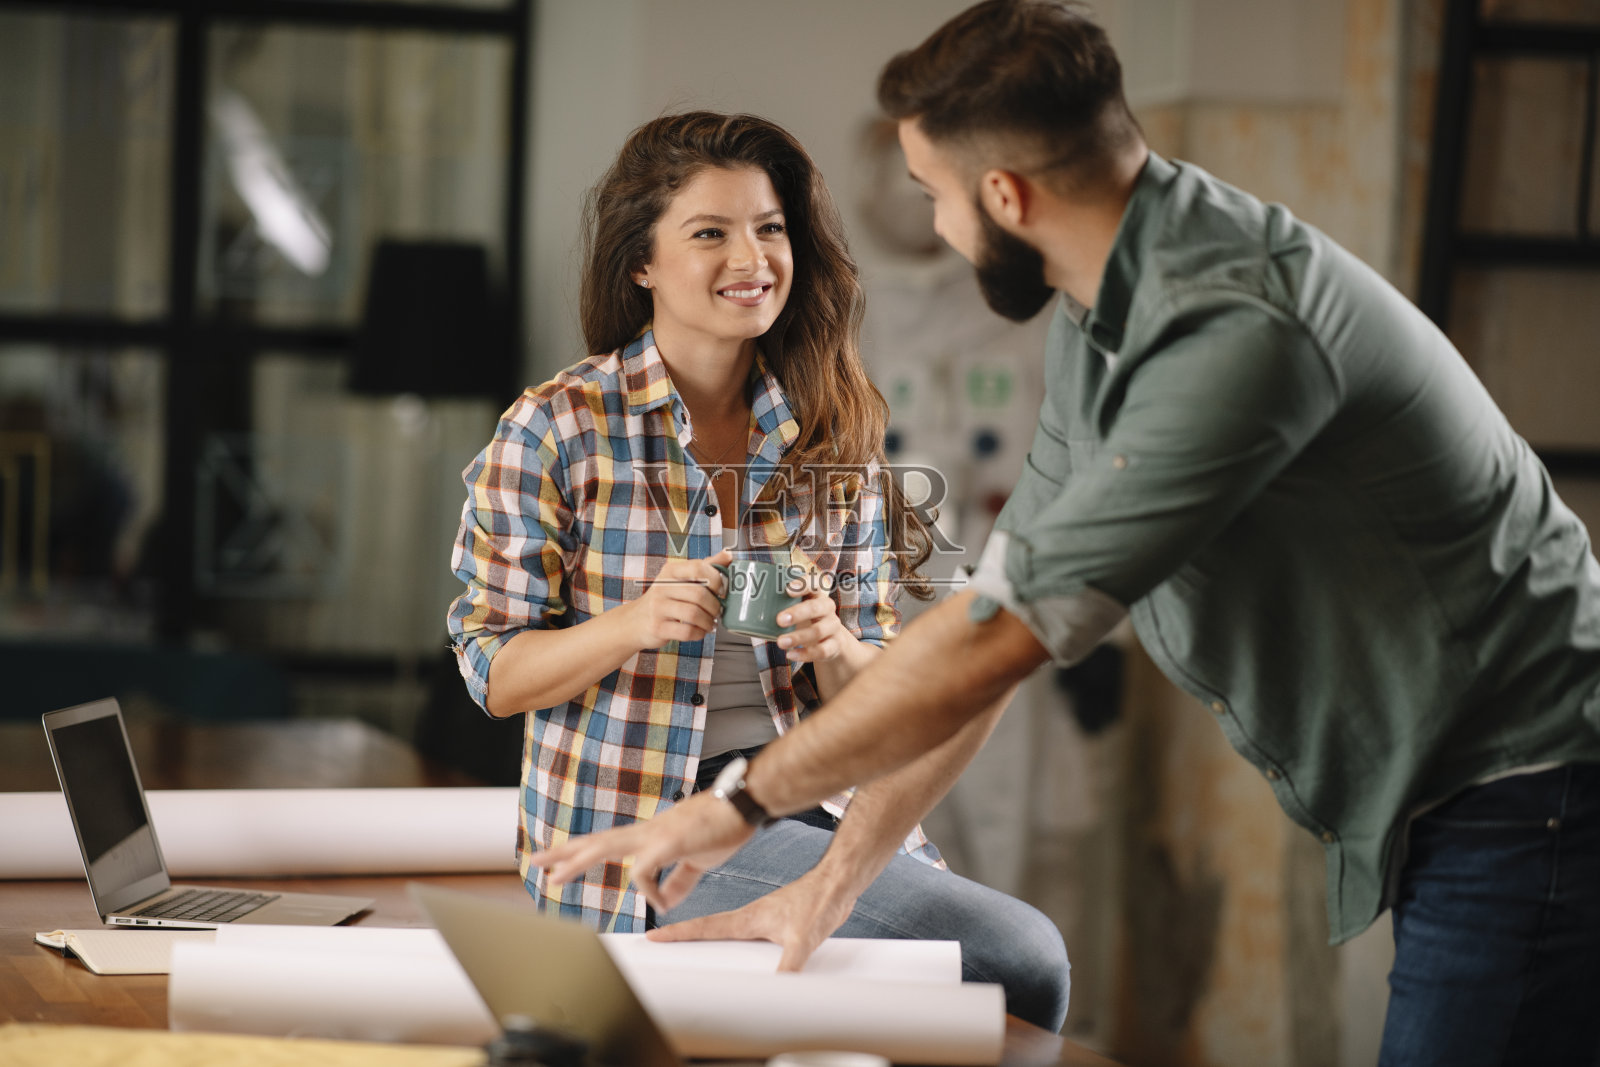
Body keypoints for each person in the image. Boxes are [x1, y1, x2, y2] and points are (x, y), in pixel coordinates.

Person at [531, 5, 1600, 1065]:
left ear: (1005, 196)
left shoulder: (1231, 328)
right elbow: (987, 619)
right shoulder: (1099, 316)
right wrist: (827, 887)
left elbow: (999, 642)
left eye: (934, 196)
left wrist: (742, 801)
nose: (937, 230)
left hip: (1530, 776)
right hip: (1462, 784)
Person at [446, 110, 1070, 1031]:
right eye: (711, 232)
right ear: (642, 262)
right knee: (1015, 957)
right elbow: (493, 671)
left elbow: (888, 700)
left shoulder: (832, 429)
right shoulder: (556, 428)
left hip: (815, 802)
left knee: (1019, 964)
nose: (753, 257)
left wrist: (833, 643)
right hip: (646, 832)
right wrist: (633, 623)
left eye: (770, 228)